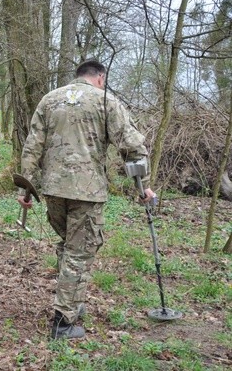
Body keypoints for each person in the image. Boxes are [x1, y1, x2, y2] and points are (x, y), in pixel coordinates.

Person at [17, 60, 155, 340]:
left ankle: (72, 301)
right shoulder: (105, 100)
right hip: (86, 191)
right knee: (79, 252)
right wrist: (145, 188)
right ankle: (63, 320)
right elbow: (131, 147)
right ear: (100, 78)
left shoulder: (50, 99)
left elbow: (32, 146)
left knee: (69, 247)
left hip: (53, 189)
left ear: (78, 76)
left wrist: (26, 189)